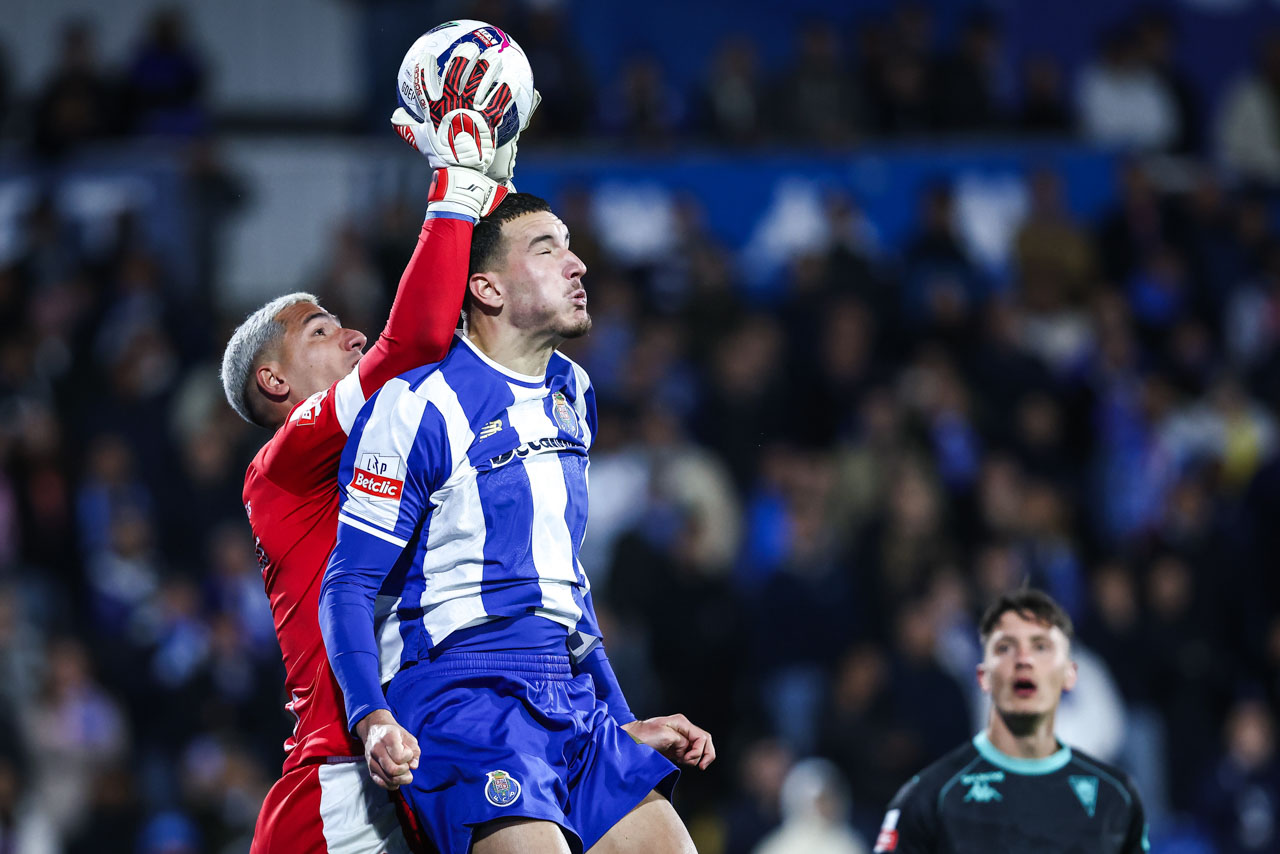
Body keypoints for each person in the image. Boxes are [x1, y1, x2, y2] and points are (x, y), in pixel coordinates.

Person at [319, 192, 716, 854]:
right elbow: (349, 582)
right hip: (459, 693)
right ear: (487, 288)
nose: (578, 264)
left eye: (570, 245)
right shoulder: (418, 405)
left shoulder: (574, 395)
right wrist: (372, 718)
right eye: (547, 249)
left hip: (567, 689)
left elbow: (566, 582)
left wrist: (620, 722)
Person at [220, 44, 519, 854]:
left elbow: (460, 339)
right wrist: (449, 189)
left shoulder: (396, 439)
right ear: (278, 386)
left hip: (418, 757)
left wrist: (486, 195)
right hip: (337, 787)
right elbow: (413, 336)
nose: (352, 332)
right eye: (322, 331)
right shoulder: (284, 464)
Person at [872, 589, 1149, 853]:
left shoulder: (1116, 798)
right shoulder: (928, 797)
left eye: (1041, 646)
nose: (1024, 660)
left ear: (1069, 674)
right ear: (983, 678)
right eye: (1006, 647)